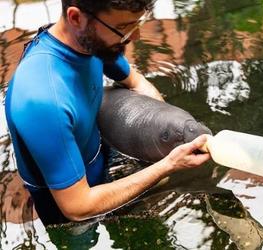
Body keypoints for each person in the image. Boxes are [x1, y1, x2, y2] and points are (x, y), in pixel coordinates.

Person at [5, 0, 210, 226]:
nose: (136, 37)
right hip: (69, 210)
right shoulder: (42, 100)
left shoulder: (89, 41)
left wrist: (170, 138)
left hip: (96, 154)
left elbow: (136, 82)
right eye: (123, 28)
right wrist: (168, 164)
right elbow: (78, 208)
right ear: (76, 18)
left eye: (135, 25)